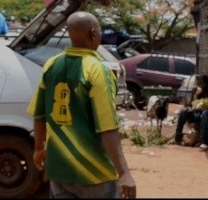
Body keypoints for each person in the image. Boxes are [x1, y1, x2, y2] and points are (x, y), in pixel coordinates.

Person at [27, 11, 136, 198]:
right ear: (93, 33)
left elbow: (40, 114)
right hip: (94, 173)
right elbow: (107, 127)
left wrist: (38, 148)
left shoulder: (51, 65)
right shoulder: (97, 69)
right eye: (100, 31)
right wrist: (124, 172)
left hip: (59, 169)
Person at [174, 75, 208, 150]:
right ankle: (178, 136)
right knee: (183, 111)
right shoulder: (199, 94)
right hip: (198, 115)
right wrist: (193, 96)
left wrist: (202, 108)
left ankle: (202, 141)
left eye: (202, 83)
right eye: (200, 84)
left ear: (206, 84)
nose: (201, 85)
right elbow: (193, 105)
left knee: (205, 113)